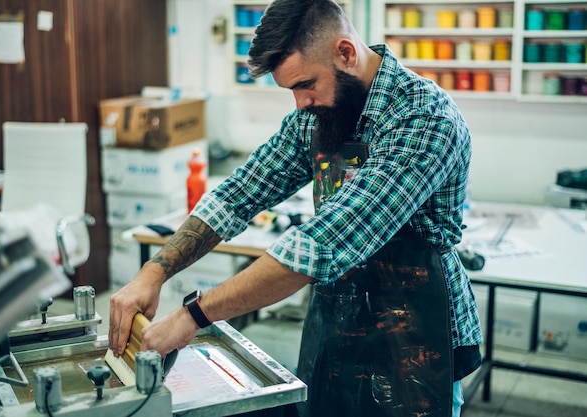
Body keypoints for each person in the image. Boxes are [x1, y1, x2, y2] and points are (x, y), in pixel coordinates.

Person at [109, 0, 483, 416]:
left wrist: (192, 316)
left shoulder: (424, 117)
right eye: (291, 90)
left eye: (306, 84)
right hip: (337, 318)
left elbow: (323, 243)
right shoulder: (317, 112)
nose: (300, 103)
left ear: (346, 53)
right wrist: (154, 271)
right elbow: (239, 193)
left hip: (416, 332)